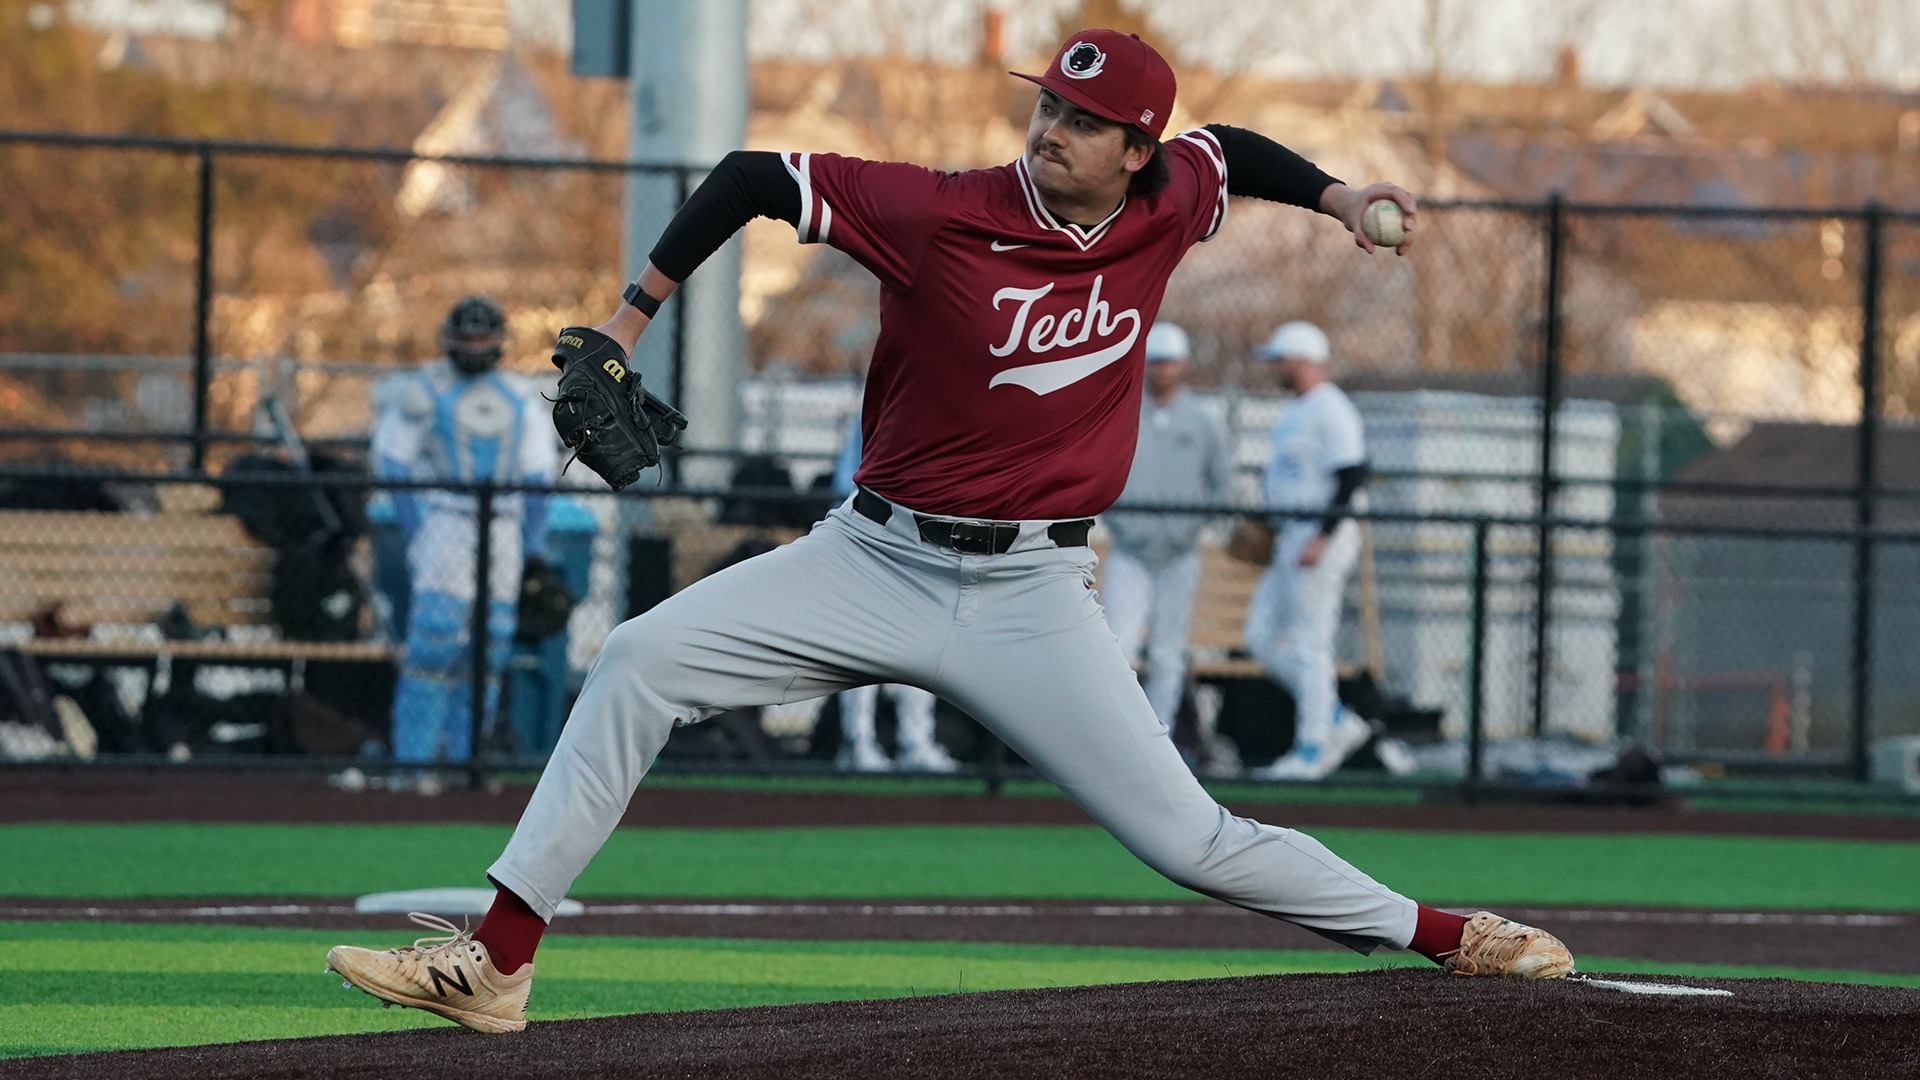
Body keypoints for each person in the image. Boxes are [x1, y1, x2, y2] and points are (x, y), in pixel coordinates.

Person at [326, 29, 1574, 1033]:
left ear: (1135, 150)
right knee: (639, 659)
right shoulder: (937, 212)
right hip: (872, 556)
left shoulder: (1164, 205)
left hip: (1034, 593)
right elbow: (757, 175)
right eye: (1048, 107)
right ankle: (497, 961)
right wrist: (631, 316)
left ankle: (1451, 936)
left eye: (1085, 122)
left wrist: (1341, 194)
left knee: (1192, 841)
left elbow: (1227, 153)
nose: (1052, 131)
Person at [369, 296, 558, 795]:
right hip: (446, 520)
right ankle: (413, 764)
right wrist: (416, 530)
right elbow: (391, 461)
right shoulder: (424, 391)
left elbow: (537, 474)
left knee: (491, 645)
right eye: (466, 338)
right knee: (434, 638)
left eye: (483, 338)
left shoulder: (520, 395)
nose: (474, 347)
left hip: (502, 526)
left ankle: (468, 761)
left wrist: (533, 541)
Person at [1241, 320, 1374, 782]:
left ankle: (1311, 749)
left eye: (1279, 359)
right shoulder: (1299, 410)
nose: (1274, 367)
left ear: (1301, 359)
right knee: (1259, 636)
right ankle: (1335, 720)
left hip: (1318, 534)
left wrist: (1323, 534)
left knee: (1309, 644)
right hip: (1291, 533)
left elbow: (1353, 473)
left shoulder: (1330, 407)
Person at [1098, 321, 1230, 739]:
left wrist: (1188, 528)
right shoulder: (1122, 412)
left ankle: (1160, 738)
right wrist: (1121, 523)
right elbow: (1100, 472)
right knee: (1119, 646)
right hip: (1130, 550)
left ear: (1184, 364)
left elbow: (1221, 484)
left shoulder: (1203, 422)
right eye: (1155, 361)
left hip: (1180, 554)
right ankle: (1121, 736)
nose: (1162, 370)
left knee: (1169, 653)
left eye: (1170, 362)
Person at [829, 409, 961, 774]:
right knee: (860, 647)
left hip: (918, 545)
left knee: (921, 645)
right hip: (866, 540)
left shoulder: (939, 414)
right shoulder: (875, 410)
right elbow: (845, 484)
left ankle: (915, 743)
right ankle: (857, 743)